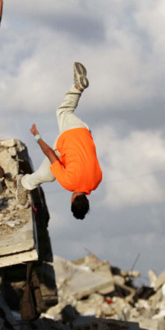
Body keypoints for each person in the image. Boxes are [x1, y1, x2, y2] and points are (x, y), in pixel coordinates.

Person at [18, 62, 102, 220]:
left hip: (84, 131)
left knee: (49, 175)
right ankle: (77, 87)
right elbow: (50, 153)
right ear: (72, 201)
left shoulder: (96, 181)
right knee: (63, 111)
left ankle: (25, 184)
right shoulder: (69, 183)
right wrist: (37, 136)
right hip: (68, 137)